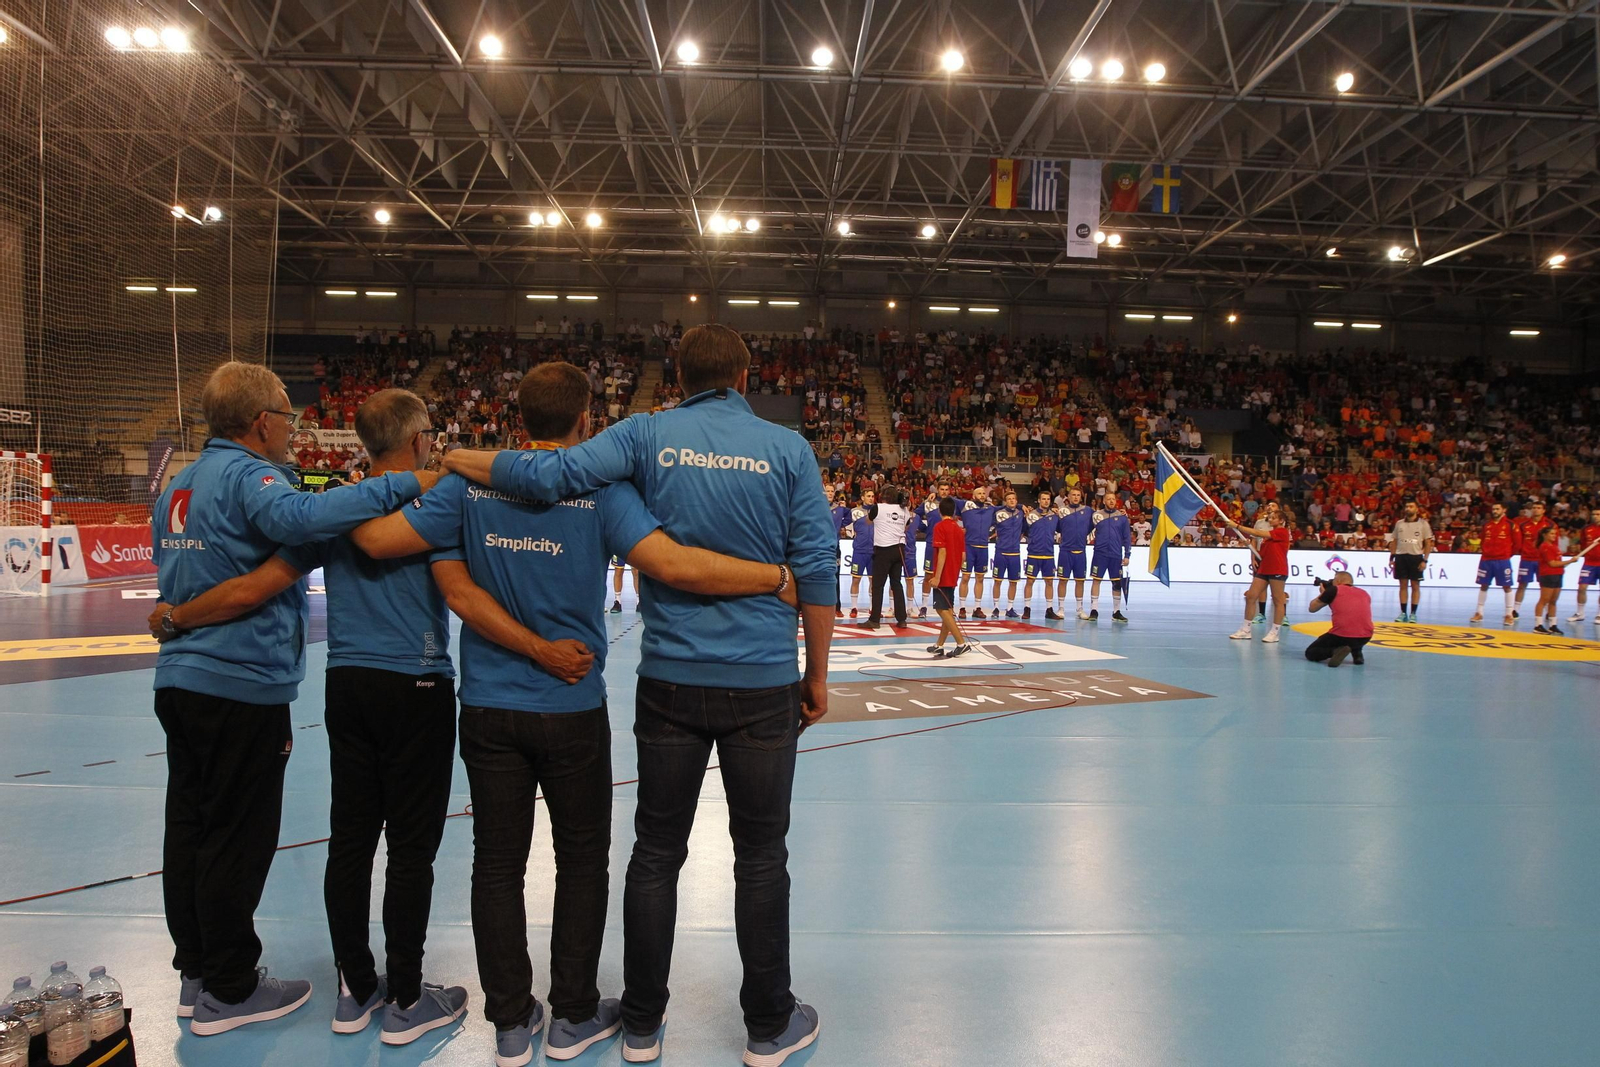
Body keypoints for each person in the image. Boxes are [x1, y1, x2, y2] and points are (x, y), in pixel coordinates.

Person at [355, 362, 804, 1065]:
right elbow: (675, 565)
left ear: (519, 417)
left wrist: (422, 471)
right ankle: (571, 1015)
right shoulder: (601, 491)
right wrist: (777, 578)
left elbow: (384, 545)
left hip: (489, 703)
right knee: (583, 860)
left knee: (496, 864)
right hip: (570, 703)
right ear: (586, 420)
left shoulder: (466, 487)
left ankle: (510, 1024)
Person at [151, 389, 468, 1045]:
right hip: (414, 680)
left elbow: (256, 584)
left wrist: (177, 615)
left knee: (348, 839)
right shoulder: (431, 500)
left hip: (345, 683)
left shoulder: (328, 514)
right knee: (411, 847)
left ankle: (353, 989)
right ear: (417, 442)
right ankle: (407, 998)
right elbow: (453, 577)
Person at [1227, 509, 1291, 643]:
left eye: (1274, 518)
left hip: (1277, 569)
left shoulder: (1282, 532)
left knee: (1278, 600)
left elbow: (1257, 533)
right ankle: (1245, 630)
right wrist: (1249, 546)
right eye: (1270, 517)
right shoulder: (1268, 539)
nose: (1270, 520)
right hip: (1264, 569)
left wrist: (1237, 526)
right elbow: (1262, 554)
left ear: (1281, 521)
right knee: (1251, 596)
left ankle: (1274, 632)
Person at [927, 496, 973, 657]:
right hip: (954, 574)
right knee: (947, 610)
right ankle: (939, 645)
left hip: (944, 574)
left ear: (939, 511)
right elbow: (963, 556)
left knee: (941, 609)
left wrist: (937, 577)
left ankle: (961, 643)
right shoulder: (958, 529)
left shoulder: (939, 527)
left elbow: (942, 552)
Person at [866, 485, 913, 627]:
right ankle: (902, 619)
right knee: (896, 583)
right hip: (899, 549)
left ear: (883, 496)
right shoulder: (904, 510)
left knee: (878, 585)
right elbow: (906, 527)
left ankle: (874, 619)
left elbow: (868, 521)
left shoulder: (878, 508)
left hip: (883, 549)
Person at [1305, 571, 1373, 667]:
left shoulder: (1334, 590)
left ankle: (1335, 651)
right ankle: (1357, 654)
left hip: (1341, 636)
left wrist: (1323, 594)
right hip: (1365, 637)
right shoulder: (1364, 593)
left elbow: (1312, 608)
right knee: (1357, 627)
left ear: (1338, 581)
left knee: (1311, 652)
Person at [1530, 526, 1586, 634]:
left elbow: (1557, 562)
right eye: (1551, 534)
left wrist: (1567, 562)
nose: (1554, 536)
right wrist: (1570, 561)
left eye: (1555, 534)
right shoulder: (1545, 547)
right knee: (1544, 600)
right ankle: (1538, 625)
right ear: (1545, 535)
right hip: (1548, 575)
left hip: (1558, 575)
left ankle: (1553, 625)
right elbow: (1552, 563)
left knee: (1553, 601)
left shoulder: (1554, 546)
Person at [1087, 492, 1131, 622]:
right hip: (1100, 554)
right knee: (1096, 580)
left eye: (1113, 499)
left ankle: (1116, 612)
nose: (1111, 501)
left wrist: (1127, 555)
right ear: (1104, 501)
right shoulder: (1096, 515)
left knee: (1117, 583)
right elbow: (1085, 529)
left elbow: (1127, 538)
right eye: (1108, 499)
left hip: (1116, 555)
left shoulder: (1122, 517)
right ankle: (1094, 610)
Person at [1471, 501, 1516, 626]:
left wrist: (1506, 555)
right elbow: (1482, 540)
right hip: (1486, 560)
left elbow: (1517, 544)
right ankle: (1479, 613)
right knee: (1483, 585)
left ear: (1504, 510)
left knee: (1507, 586)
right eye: (1493, 509)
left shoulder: (1510, 524)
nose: (1495, 511)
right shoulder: (1487, 525)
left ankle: (1509, 614)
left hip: (1502, 560)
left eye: (1497, 509)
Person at [1389, 501, 1434, 623]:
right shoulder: (1399, 523)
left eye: (1411, 506)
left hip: (1416, 557)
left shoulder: (1423, 524)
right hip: (1401, 557)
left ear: (1417, 509)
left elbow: (1428, 543)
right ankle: (1403, 613)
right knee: (1402, 585)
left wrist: (1425, 560)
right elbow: (1394, 541)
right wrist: (1392, 557)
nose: (1408, 508)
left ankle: (1413, 613)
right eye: (1407, 506)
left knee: (1415, 586)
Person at [957, 485, 997, 619]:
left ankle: (977, 608)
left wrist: (1020, 506)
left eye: (983, 493)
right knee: (965, 577)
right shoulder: (965, 505)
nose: (982, 495)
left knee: (980, 578)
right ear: (973, 496)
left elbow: (1007, 507)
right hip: (968, 547)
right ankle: (962, 608)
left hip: (983, 548)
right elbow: (947, 499)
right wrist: (935, 496)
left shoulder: (990, 508)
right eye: (979, 493)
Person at [1055, 488, 1093, 619]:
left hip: (1080, 551)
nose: (1076, 497)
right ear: (1068, 497)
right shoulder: (1061, 511)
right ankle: (1061, 608)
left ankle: (1079, 609)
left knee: (1080, 581)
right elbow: (1057, 527)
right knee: (1062, 580)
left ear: (1081, 497)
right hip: (1065, 551)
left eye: (1078, 495)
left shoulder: (1088, 511)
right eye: (1073, 495)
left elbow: (1097, 521)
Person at [988, 490, 1025, 618]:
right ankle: (996, 608)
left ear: (1016, 500)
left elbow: (1024, 530)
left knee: (1013, 582)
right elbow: (990, 526)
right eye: (1009, 499)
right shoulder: (998, 513)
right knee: (997, 581)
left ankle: (1010, 608)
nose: (1011, 501)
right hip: (1001, 552)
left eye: (1013, 499)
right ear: (1005, 501)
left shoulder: (1021, 513)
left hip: (1015, 553)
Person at [1023, 492, 1059, 619]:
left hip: (1049, 554)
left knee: (1049, 582)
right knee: (1030, 581)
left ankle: (1049, 609)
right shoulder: (1030, 515)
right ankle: (1027, 608)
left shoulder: (1054, 516)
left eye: (1048, 499)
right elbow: (1024, 531)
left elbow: (1061, 529)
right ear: (1039, 500)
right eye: (1043, 499)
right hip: (1034, 553)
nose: (1046, 501)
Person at [1512, 500, 1551, 619]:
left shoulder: (1550, 524)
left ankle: (1548, 611)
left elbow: (1554, 542)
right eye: (1534, 507)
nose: (1536, 510)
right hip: (1527, 559)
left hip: (1542, 560)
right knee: (1522, 584)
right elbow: (1519, 541)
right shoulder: (1524, 525)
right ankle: (1515, 610)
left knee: (1544, 586)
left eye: (1539, 508)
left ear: (1543, 510)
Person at [847, 488, 876, 618]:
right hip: (859, 551)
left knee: (873, 581)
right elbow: (844, 524)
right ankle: (854, 607)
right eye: (868, 496)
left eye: (872, 496)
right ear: (863, 497)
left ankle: (872, 608)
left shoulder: (877, 511)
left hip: (874, 552)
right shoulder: (854, 512)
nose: (871, 498)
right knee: (856, 579)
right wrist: (851, 534)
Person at [1566, 515, 1600, 625]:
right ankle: (1580, 613)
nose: (1595, 516)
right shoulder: (1586, 529)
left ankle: (1599, 614)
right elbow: (1584, 545)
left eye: (1598, 514)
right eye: (1594, 514)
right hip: (1589, 563)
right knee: (1582, 587)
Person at [830, 490, 852, 618]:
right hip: (818, 546)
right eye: (827, 491)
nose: (829, 493)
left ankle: (837, 607)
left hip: (835, 547)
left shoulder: (839, 509)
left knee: (836, 576)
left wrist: (840, 526)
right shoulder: (818, 506)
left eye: (832, 491)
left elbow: (850, 515)